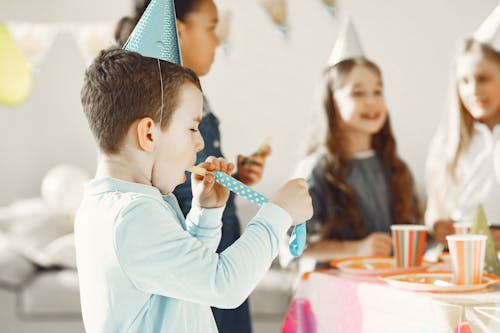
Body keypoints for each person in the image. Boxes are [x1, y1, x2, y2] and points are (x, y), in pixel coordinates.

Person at [75, 47, 312, 333]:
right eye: (192, 129)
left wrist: (206, 214)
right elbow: (224, 285)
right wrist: (279, 213)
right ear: (149, 134)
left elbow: (188, 275)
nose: (200, 143)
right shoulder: (133, 214)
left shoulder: (119, 205)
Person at [114, 1, 270, 331]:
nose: (218, 41)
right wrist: (278, 215)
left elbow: (189, 173)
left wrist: (232, 179)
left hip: (219, 236)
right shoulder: (157, 109)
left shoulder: (193, 98)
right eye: (212, 28)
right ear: (179, 30)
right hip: (192, 253)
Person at [295, 20, 420, 267]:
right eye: (358, 93)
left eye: (377, 91)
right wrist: (357, 249)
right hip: (328, 293)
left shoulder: (395, 168)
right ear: (332, 102)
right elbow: (294, 246)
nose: (371, 101)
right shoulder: (316, 171)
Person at [425, 4, 500, 249]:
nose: (473, 90)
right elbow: (435, 210)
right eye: (464, 81)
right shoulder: (450, 142)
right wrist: (438, 225)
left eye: (483, 79)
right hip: (461, 256)